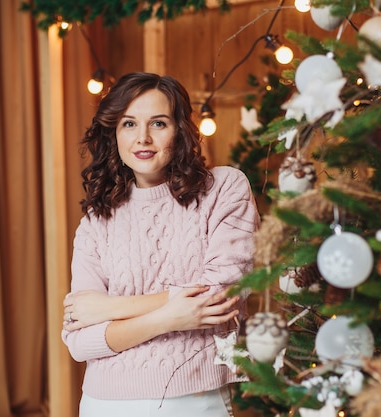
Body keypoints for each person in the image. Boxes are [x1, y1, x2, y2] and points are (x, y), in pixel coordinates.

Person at [61, 72, 260, 417]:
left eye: (158, 123)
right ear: (114, 134)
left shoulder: (225, 188)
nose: (142, 138)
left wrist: (106, 309)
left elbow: (222, 294)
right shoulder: (97, 219)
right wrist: (171, 316)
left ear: (180, 130)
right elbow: (80, 342)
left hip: (198, 399)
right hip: (104, 403)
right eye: (128, 124)